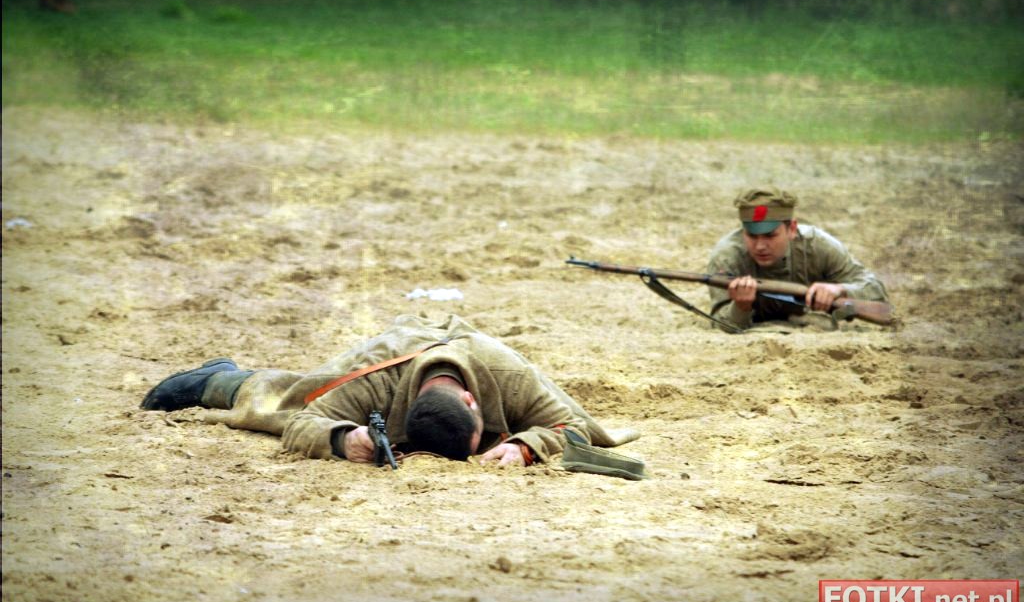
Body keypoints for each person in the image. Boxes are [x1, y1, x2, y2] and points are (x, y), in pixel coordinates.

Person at [141, 314, 639, 467]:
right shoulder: (376, 384)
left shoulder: (508, 376)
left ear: (474, 403)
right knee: (285, 399)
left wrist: (525, 446)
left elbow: (574, 425)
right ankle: (220, 377)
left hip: (471, 350)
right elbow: (304, 422)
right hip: (396, 351)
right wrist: (344, 438)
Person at [707, 186, 889, 331]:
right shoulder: (727, 257)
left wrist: (839, 290)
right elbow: (719, 324)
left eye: (770, 236)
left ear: (792, 229)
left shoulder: (818, 245)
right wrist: (740, 307)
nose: (760, 246)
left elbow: (876, 290)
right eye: (752, 236)